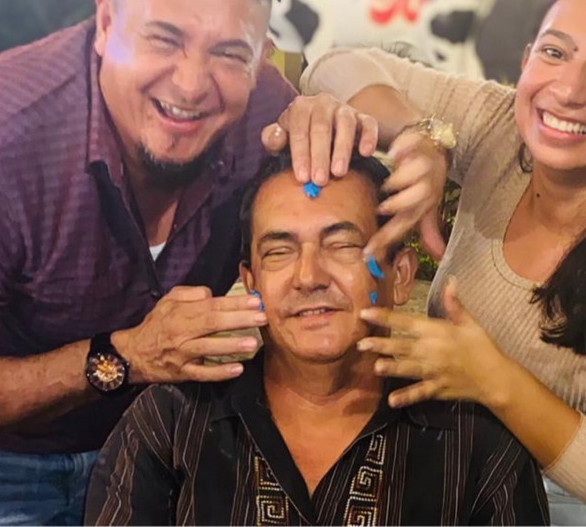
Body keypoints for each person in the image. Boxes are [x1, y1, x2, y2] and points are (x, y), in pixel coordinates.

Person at [266, 0, 586, 525]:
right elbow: (333, 66)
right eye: (555, 52)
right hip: (482, 479)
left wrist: (492, 379)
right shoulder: (499, 129)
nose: (569, 90)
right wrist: (420, 135)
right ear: (527, 58)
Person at [0, 0, 297, 525]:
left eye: (228, 53)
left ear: (261, 56)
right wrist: (129, 356)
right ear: (106, 23)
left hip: (164, 443)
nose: (191, 85)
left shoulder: (270, 115)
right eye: (164, 39)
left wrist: (406, 138)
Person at [85, 149, 549, 526]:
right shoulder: (171, 423)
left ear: (401, 274)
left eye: (342, 245)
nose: (308, 277)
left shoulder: (476, 442)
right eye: (279, 251)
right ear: (251, 282)